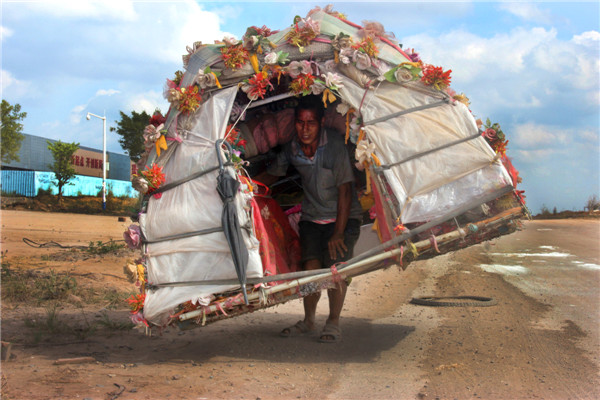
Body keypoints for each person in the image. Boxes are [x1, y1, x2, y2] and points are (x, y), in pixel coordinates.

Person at [258, 96, 363, 343]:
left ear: (322, 122)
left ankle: (334, 322)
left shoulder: (335, 145)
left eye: (311, 123)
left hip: (343, 218)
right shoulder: (292, 148)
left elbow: (346, 191)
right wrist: (246, 184)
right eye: (300, 122)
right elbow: (274, 174)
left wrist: (338, 232)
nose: (305, 129)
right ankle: (308, 320)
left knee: (336, 270)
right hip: (312, 217)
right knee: (310, 270)